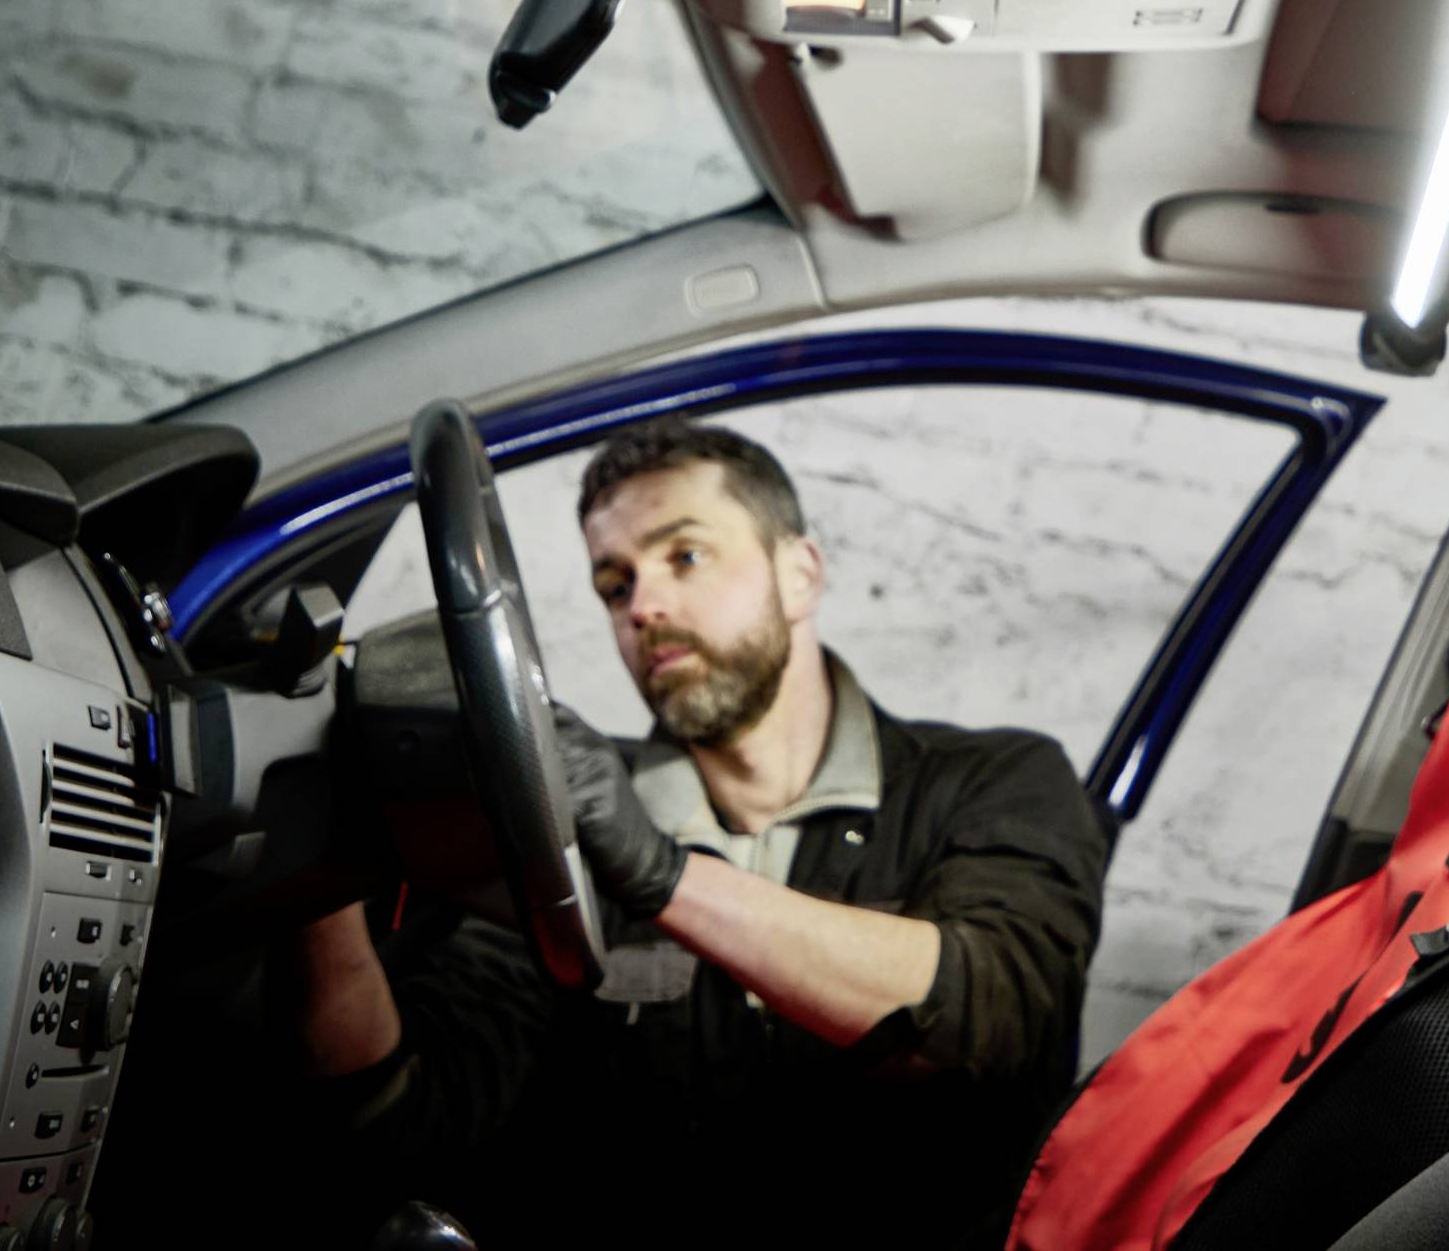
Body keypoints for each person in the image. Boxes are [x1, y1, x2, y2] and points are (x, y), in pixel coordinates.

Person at [292, 418, 1113, 1247]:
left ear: (800, 575)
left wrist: (661, 873)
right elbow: (413, 1115)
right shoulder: (562, 814)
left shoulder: (997, 780)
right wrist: (317, 879)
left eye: (684, 555)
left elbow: (987, 1014)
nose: (644, 605)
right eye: (615, 584)